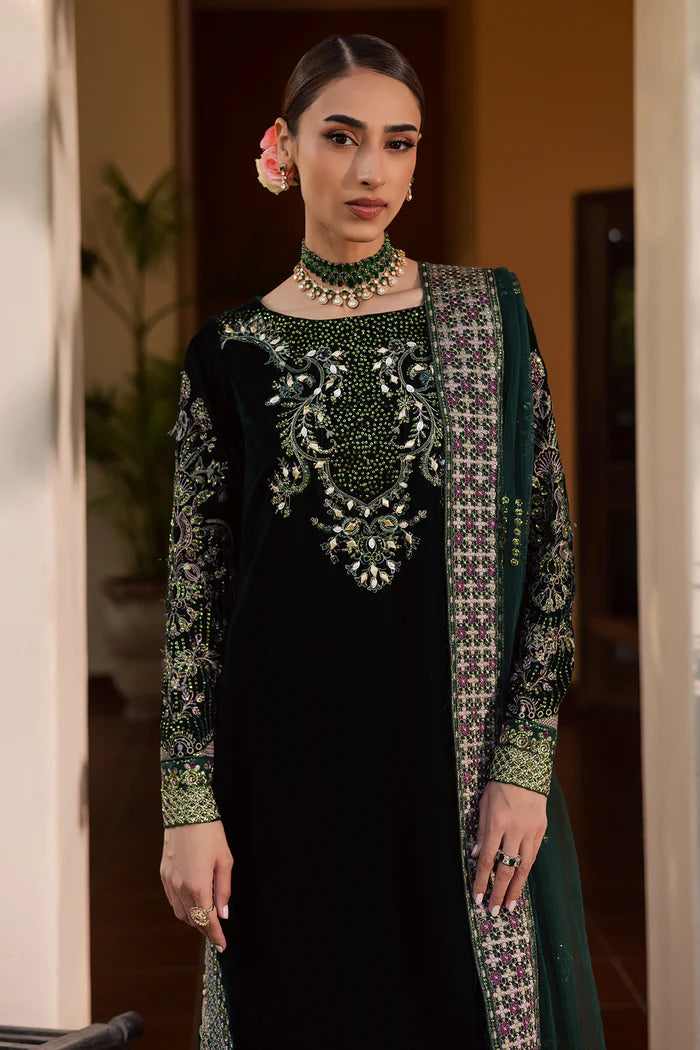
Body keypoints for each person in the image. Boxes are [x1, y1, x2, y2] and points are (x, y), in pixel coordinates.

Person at [158, 32, 607, 1050]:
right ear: (285, 147)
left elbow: (550, 550)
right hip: (278, 779)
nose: (372, 170)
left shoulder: (486, 319)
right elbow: (195, 594)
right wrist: (188, 802)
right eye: (342, 136)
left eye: (398, 143)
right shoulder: (228, 351)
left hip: (454, 773)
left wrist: (524, 762)